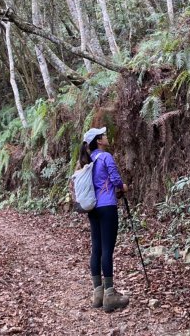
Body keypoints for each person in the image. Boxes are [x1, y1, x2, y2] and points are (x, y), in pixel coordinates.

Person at [79, 126, 129, 313]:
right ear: (99, 141)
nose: (107, 137)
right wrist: (123, 187)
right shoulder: (105, 157)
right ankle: (110, 295)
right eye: (104, 135)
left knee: (96, 248)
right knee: (107, 249)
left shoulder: (87, 161)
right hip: (107, 207)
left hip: (93, 209)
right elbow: (115, 180)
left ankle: (97, 293)